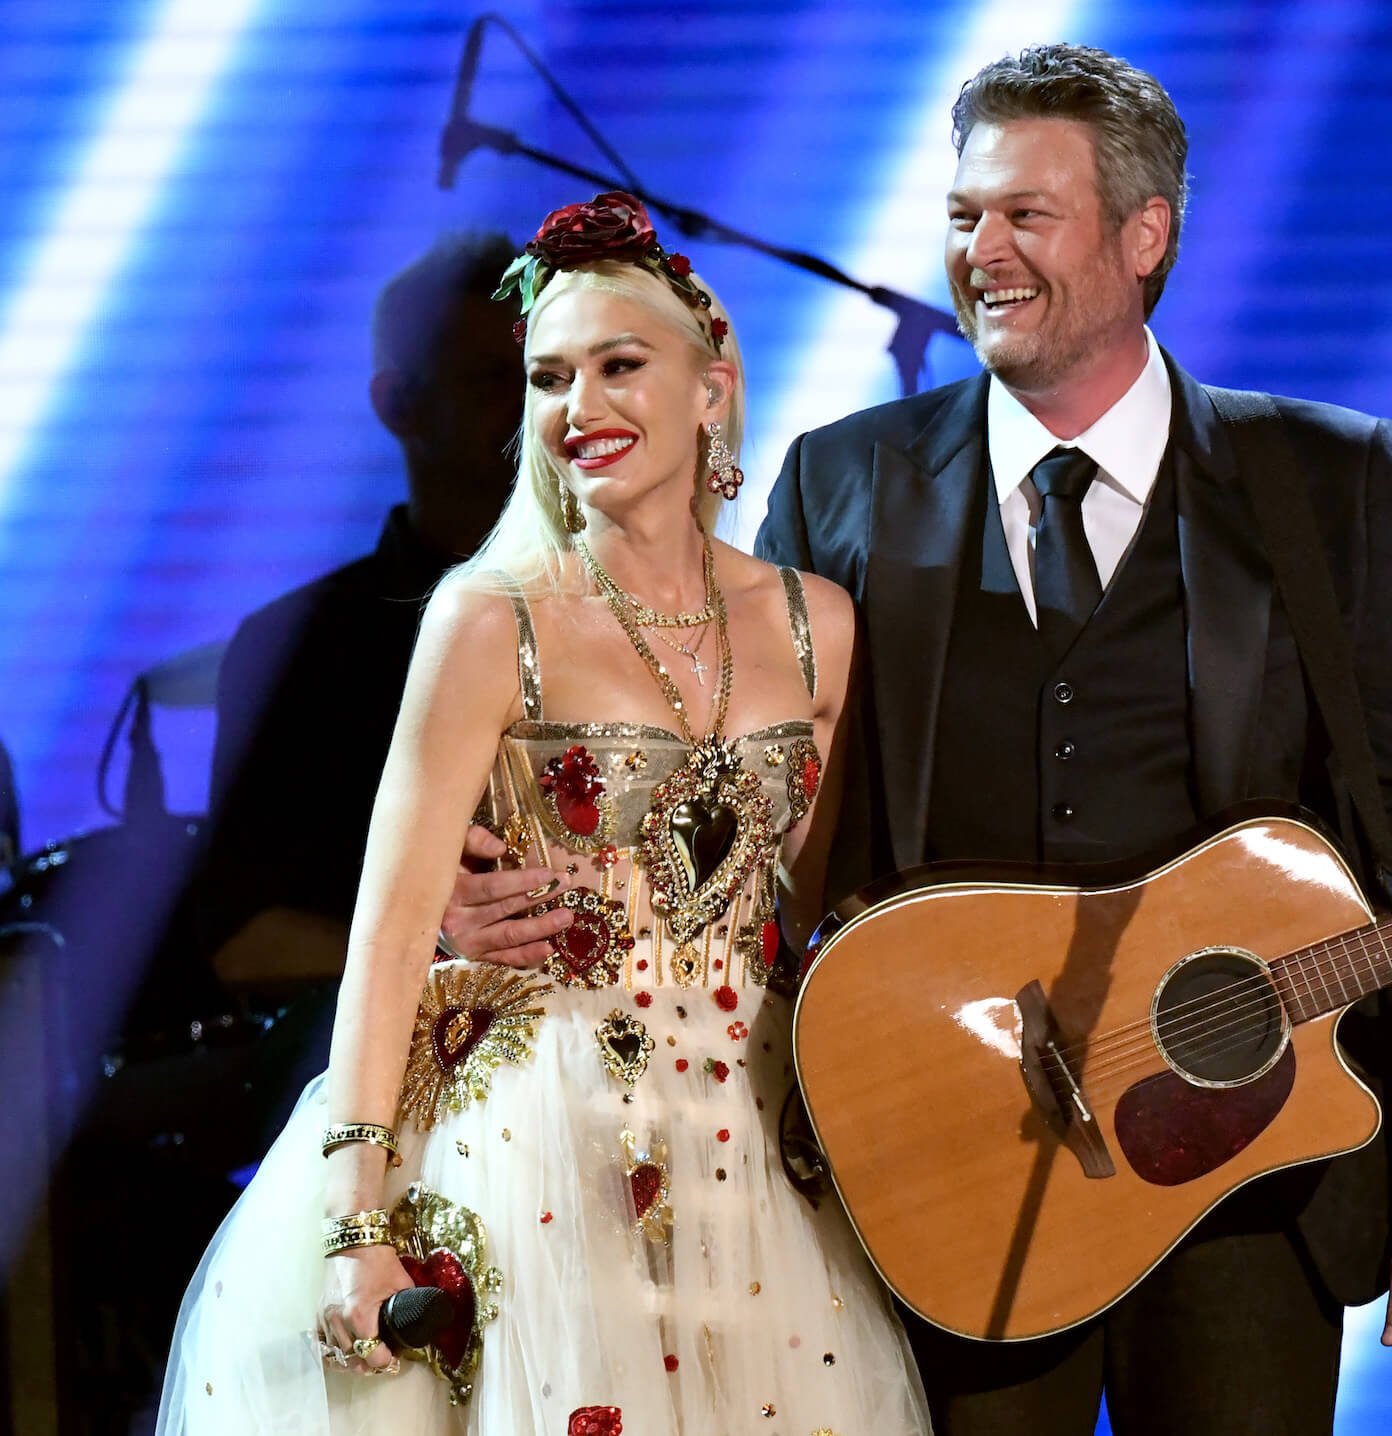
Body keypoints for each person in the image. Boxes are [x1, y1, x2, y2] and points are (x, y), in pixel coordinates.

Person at [451, 45, 1392, 1433]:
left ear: (1147, 236)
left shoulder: (1331, 482)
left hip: (1250, 1176)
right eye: (962, 217)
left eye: (1026, 215)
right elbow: (735, 792)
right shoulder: (848, 481)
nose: (981, 252)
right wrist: (531, 892)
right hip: (947, 1167)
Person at [156, 192, 930, 1435]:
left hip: (754, 1132)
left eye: (621, 365)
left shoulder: (812, 623)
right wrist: (358, 1223)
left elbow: (824, 910)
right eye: (549, 377)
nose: (581, 407)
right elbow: (390, 935)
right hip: (536, 1137)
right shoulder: (487, 615)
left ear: (711, 385)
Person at [202, 231, 523, 991]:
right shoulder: (300, 647)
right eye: (488, 382)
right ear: (398, 405)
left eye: (540, 380)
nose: (528, 412)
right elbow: (247, 936)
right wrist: (473, 968)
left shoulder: (627, 606)